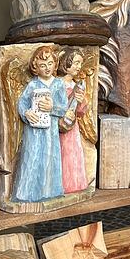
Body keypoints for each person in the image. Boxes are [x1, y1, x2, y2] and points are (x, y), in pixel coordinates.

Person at [11, 45, 66, 202]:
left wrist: (52, 107)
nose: (47, 68)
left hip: (51, 131)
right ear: (36, 68)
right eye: (42, 65)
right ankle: (27, 194)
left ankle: (50, 192)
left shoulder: (59, 84)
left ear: (55, 64)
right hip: (34, 130)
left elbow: (63, 108)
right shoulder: (33, 85)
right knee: (33, 157)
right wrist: (26, 113)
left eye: (49, 63)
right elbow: (22, 103)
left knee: (50, 158)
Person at [56, 47, 89, 194]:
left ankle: (75, 184)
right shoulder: (57, 84)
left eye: (80, 63)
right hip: (59, 126)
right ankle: (62, 185)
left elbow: (81, 112)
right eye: (75, 62)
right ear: (65, 62)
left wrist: (81, 103)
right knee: (63, 154)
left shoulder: (77, 85)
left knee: (74, 153)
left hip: (72, 127)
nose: (78, 66)